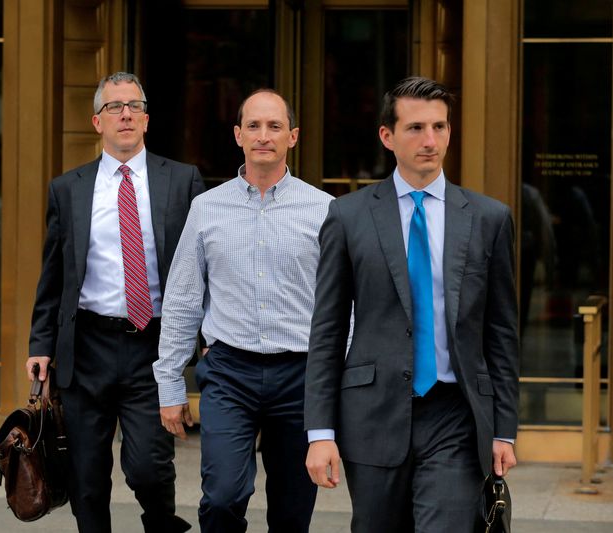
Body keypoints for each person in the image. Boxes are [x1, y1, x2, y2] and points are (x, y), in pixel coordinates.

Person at [304, 76, 519, 532]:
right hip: (373, 413)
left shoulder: (488, 219)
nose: (430, 140)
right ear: (387, 136)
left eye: (440, 127)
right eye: (416, 128)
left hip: (455, 413)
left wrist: (503, 429)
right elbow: (327, 330)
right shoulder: (349, 216)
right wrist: (320, 433)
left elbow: (501, 333)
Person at [26, 72, 204, 533]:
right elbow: (54, 276)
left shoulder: (183, 181)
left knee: (148, 466)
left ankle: (161, 522)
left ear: (146, 119)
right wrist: (40, 343)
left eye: (134, 106)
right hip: (87, 347)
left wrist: (205, 337)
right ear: (96, 121)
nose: (125, 114)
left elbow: (203, 269)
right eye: (114, 107)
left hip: (153, 348)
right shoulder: (68, 189)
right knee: (86, 477)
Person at [154, 89, 331, 532]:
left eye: (274, 126)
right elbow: (181, 300)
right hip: (230, 373)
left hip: (300, 377)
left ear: (293, 136)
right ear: (238, 135)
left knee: (292, 513)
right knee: (221, 499)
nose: (263, 135)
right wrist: (170, 383)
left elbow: (340, 307)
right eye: (253, 125)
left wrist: (339, 384)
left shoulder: (325, 210)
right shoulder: (207, 208)